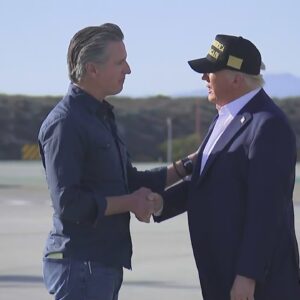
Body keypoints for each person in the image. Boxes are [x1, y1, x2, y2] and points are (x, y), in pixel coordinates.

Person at [38, 23, 196, 300]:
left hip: (100, 265)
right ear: (92, 69)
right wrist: (130, 202)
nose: (129, 69)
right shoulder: (66, 124)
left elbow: (129, 181)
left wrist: (188, 166)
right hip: (81, 266)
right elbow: (69, 204)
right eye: (120, 62)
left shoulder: (99, 117)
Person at [154, 34, 300, 300]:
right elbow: (209, 182)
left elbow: (265, 209)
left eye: (210, 71)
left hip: (256, 284)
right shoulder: (226, 116)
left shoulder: (268, 125)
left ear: (236, 77)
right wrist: (160, 203)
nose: (203, 78)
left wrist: (248, 275)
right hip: (221, 272)